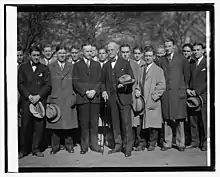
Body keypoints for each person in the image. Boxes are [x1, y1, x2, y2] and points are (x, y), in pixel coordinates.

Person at [101, 42, 134, 157]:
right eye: (108, 50)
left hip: (124, 97)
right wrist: (104, 91)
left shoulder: (125, 63)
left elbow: (132, 79)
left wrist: (124, 85)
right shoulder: (105, 66)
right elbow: (102, 82)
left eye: (111, 50)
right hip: (112, 99)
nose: (109, 52)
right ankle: (118, 145)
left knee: (126, 124)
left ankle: (127, 147)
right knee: (115, 123)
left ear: (116, 51)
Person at [18, 46, 51, 158]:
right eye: (34, 55)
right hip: (27, 101)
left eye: (38, 55)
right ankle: (23, 149)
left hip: (40, 101)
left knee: (39, 126)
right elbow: (20, 84)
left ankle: (36, 149)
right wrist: (28, 96)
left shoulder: (45, 68)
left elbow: (48, 85)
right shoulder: (23, 68)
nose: (36, 57)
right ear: (30, 56)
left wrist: (39, 96)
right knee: (25, 125)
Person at [157, 38, 190, 151]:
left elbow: (187, 75)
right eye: (166, 46)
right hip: (167, 93)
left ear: (174, 46)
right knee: (167, 118)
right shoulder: (161, 60)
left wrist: (184, 88)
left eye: (169, 46)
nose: (167, 48)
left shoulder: (181, 59)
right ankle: (167, 143)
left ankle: (181, 143)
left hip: (178, 92)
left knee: (180, 119)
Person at [46, 45, 78, 154]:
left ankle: (69, 145)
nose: (62, 55)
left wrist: (74, 96)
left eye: (64, 53)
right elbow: (48, 84)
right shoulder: (51, 66)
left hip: (68, 97)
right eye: (60, 53)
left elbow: (75, 83)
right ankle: (55, 147)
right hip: (56, 98)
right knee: (55, 124)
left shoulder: (71, 66)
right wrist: (49, 99)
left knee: (68, 125)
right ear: (56, 54)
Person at [72, 43, 102, 154]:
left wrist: (94, 91)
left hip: (95, 99)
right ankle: (84, 146)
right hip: (83, 98)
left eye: (91, 51)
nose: (89, 53)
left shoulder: (97, 65)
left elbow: (100, 80)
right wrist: (86, 91)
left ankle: (94, 145)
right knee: (84, 123)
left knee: (94, 123)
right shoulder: (77, 65)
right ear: (82, 52)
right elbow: (75, 82)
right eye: (87, 51)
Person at [135, 46, 166, 151]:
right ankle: (142, 143)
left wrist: (154, 97)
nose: (148, 58)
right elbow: (137, 83)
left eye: (150, 56)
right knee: (141, 123)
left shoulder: (158, 70)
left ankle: (152, 143)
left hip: (152, 100)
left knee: (153, 124)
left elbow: (161, 85)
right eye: (146, 56)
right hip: (142, 100)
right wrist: (137, 90)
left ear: (153, 57)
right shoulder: (141, 68)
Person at [120, 44, 143, 150]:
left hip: (133, 96)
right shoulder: (117, 64)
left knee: (135, 121)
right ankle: (123, 143)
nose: (125, 54)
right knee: (123, 121)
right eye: (123, 52)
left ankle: (135, 142)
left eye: (127, 52)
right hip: (121, 96)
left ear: (130, 53)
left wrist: (138, 89)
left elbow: (139, 80)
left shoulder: (135, 64)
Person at [186, 43, 207, 151]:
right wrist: (188, 90)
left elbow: (209, 81)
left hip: (203, 96)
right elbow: (188, 78)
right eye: (194, 50)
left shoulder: (208, 63)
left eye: (198, 49)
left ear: (203, 50)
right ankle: (195, 141)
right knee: (192, 119)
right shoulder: (192, 63)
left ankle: (205, 143)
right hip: (192, 97)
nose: (195, 52)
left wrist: (197, 91)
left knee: (203, 121)